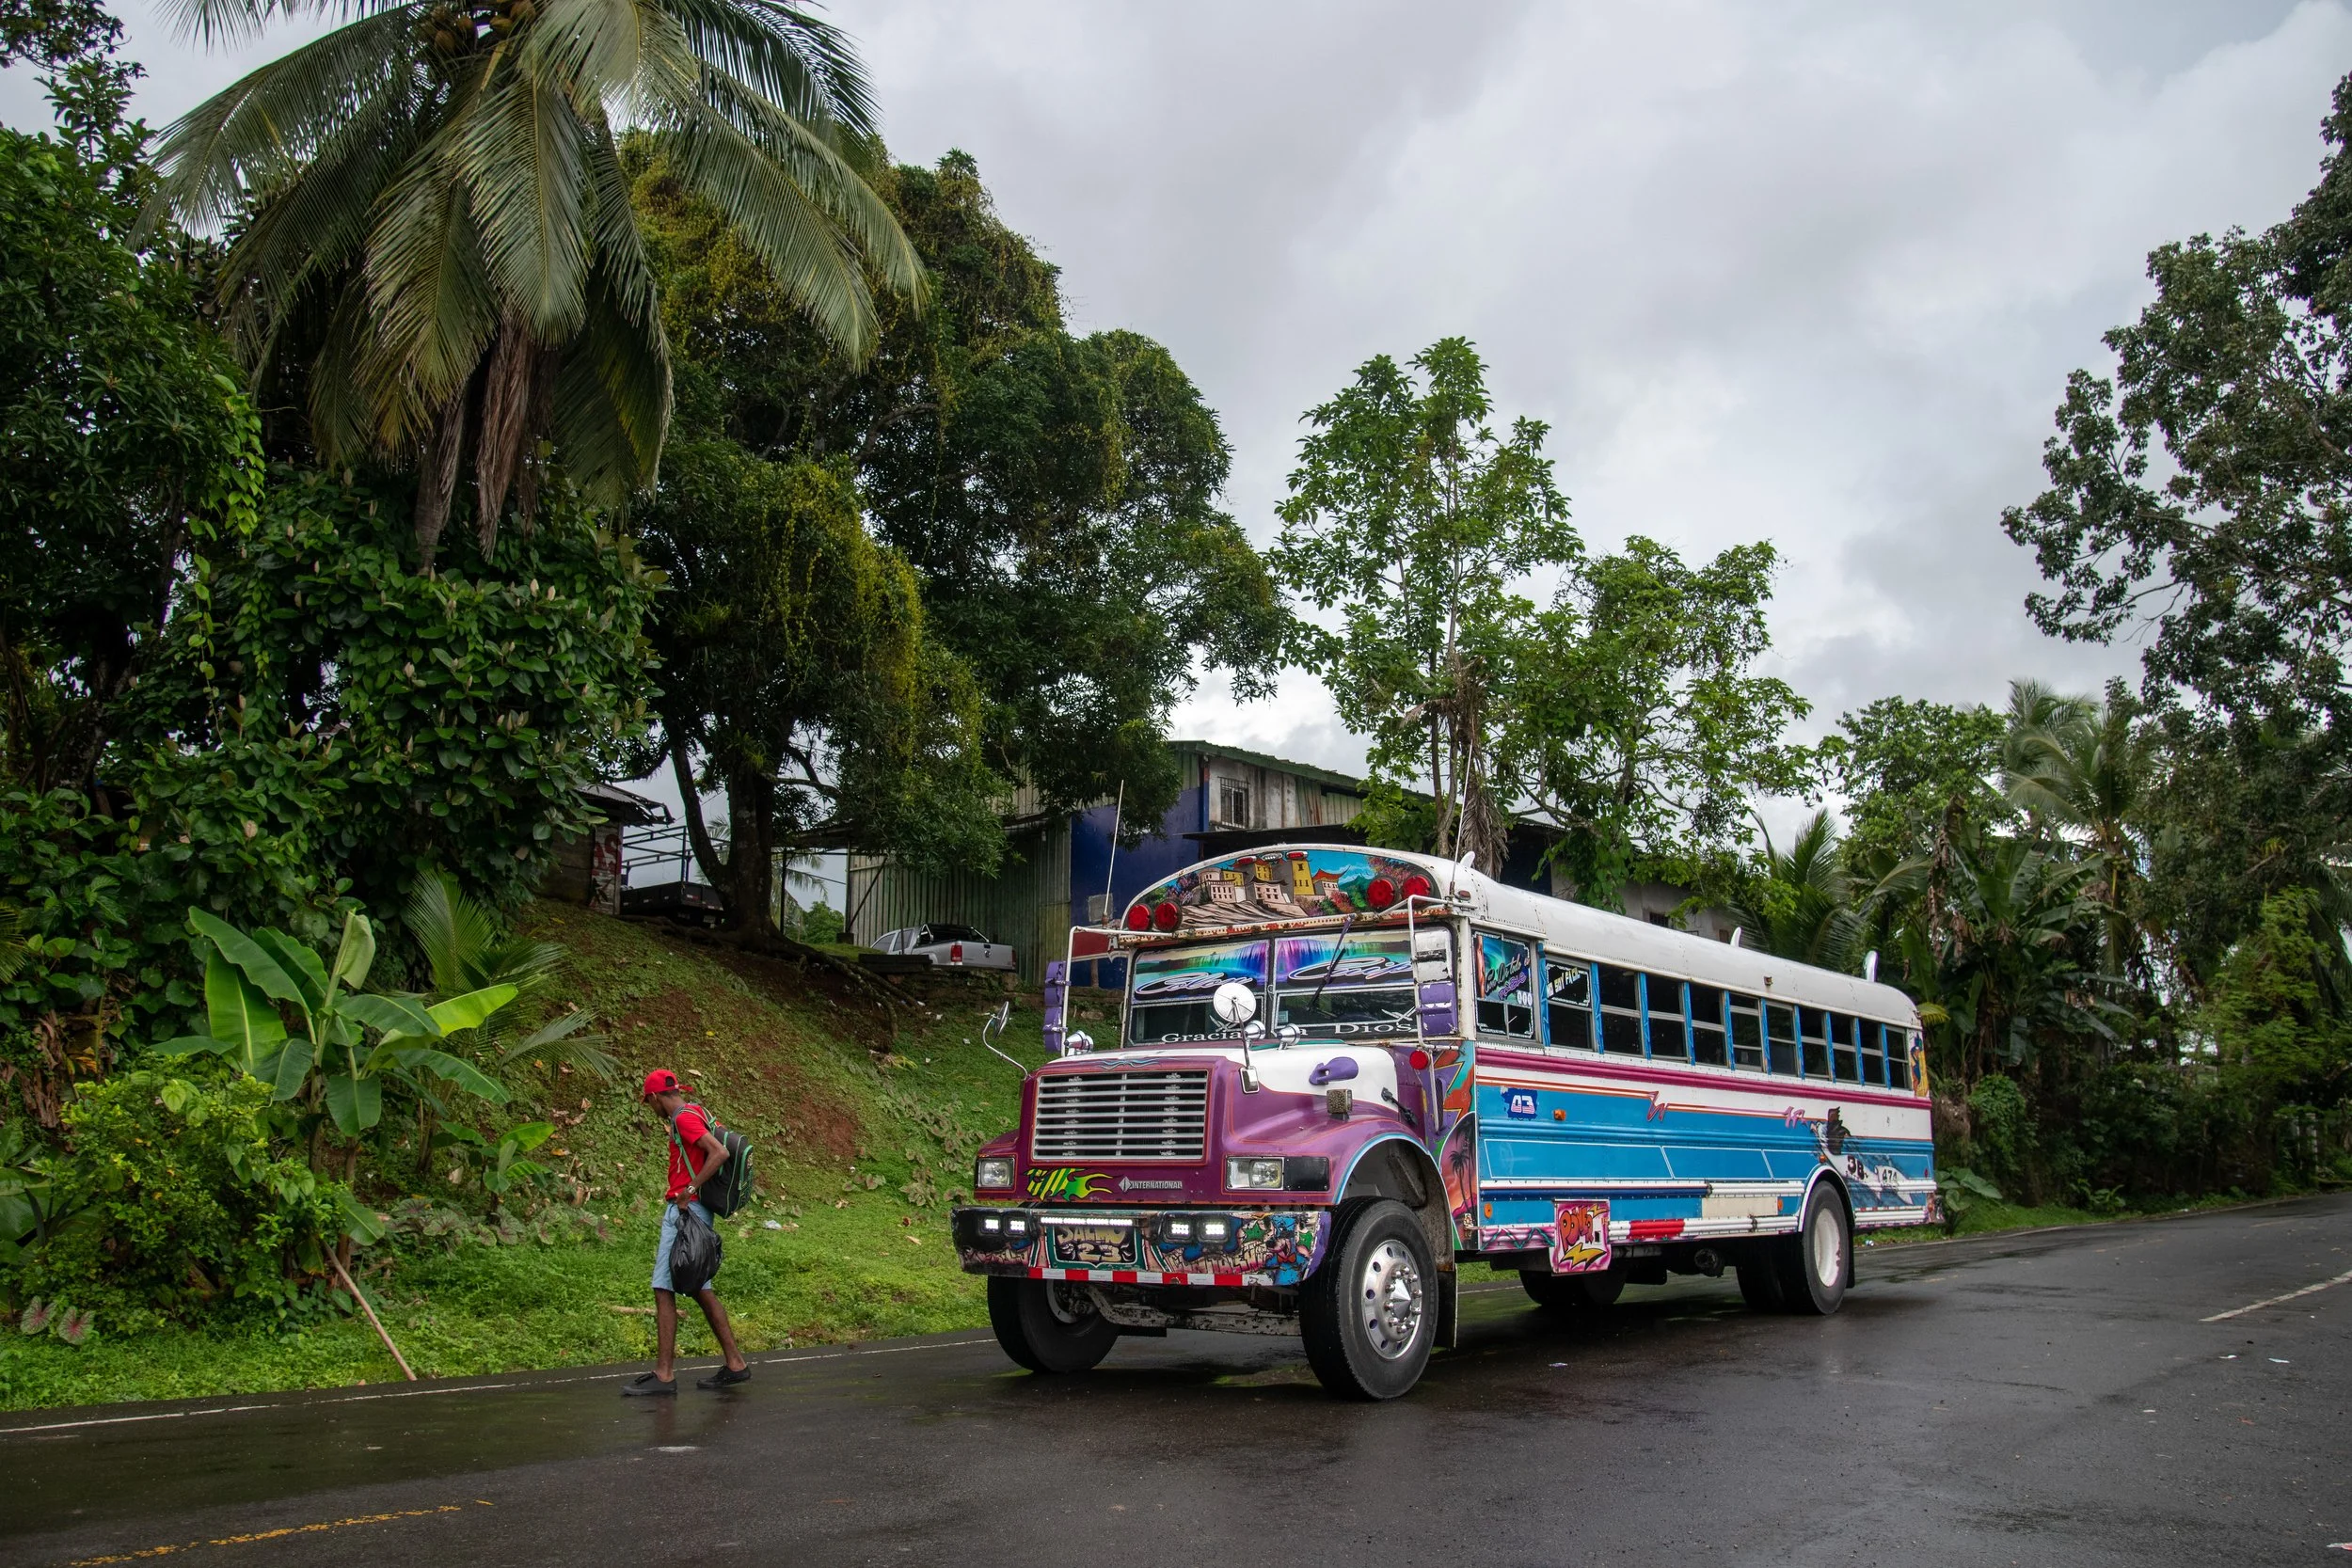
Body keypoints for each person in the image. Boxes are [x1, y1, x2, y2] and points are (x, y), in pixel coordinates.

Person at [624, 1069, 752, 1395]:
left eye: (648, 1102)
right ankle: (735, 1364)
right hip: (697, 1210)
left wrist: (688, 1189)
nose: (651, 1109)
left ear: (654, 1097)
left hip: (685, 1210)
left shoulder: (681, 1118)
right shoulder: (699, 1111)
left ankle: (664, 1375)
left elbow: (719, 1152)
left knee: (663, 1286)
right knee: (699, 1287)